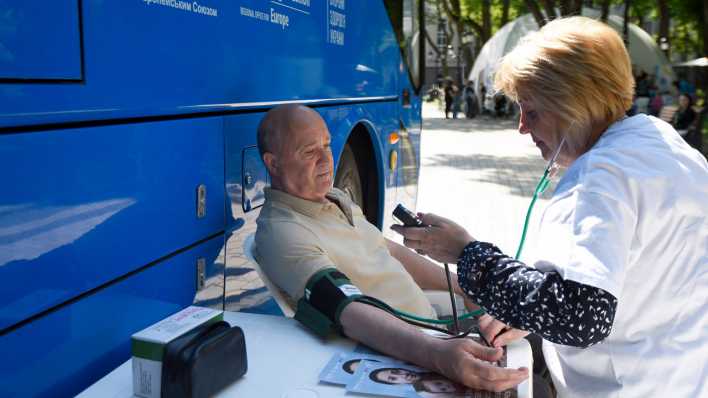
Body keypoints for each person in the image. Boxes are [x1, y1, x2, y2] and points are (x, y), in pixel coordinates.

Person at [393, 16, 708, 397]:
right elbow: (637, 274)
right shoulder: (667, 146)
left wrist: (466, 252)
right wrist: (528, 313)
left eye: (533, 111)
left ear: (574, 104)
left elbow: (580, 316)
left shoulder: (600, 175)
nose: (522, 127)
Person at [254, 104, 528, 392]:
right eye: (309, 152)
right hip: (410, 348)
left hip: (439, 324)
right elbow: (346, 308)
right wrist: (437, 354)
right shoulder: (282, 232)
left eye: (326, 145)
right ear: (273, 163)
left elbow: (388, 251)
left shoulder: (332, 197)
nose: (327, 160)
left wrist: (467, 288)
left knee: (533, 332)